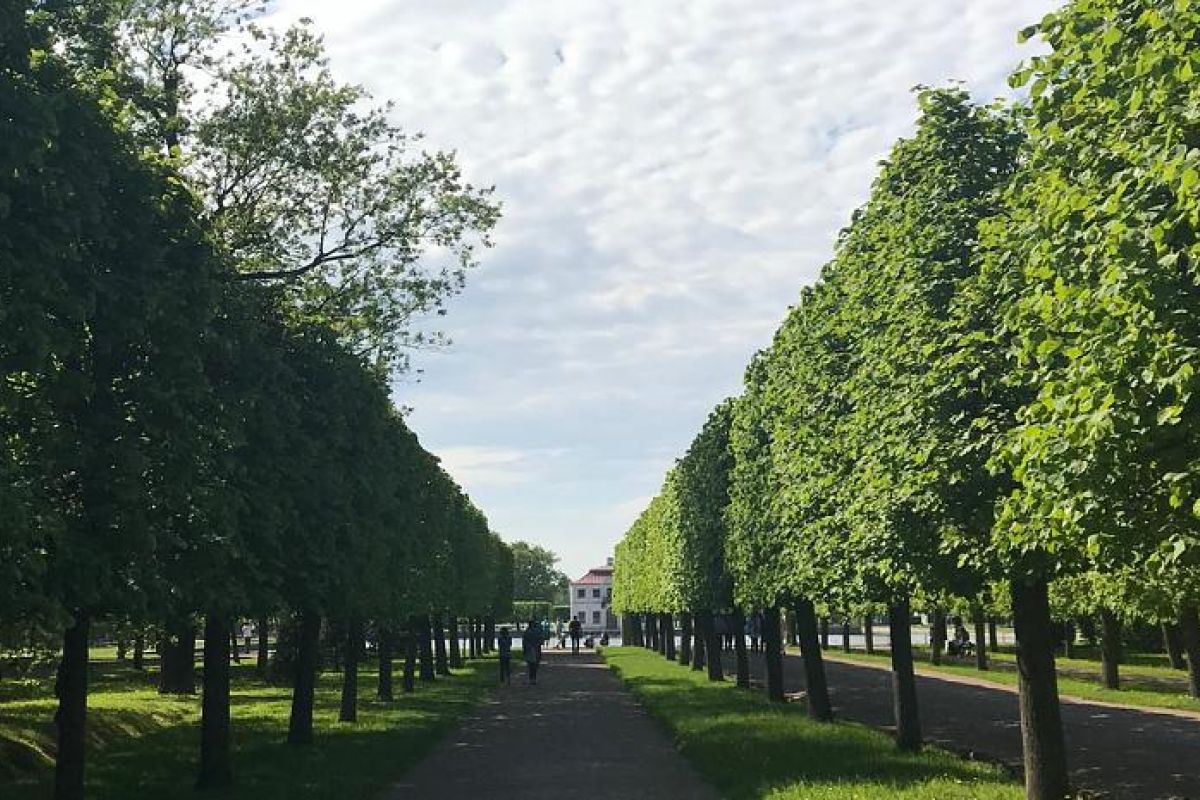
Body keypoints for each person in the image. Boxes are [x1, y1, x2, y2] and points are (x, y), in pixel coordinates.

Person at [521, 618, 543, 684]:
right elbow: (540, 640)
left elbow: (524, 642)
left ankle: (532, 678)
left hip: (532, 649)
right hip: (532, 649)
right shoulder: (530, 632)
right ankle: (533, 678)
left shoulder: (528, 632)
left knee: (532, 665)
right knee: (533, 665)